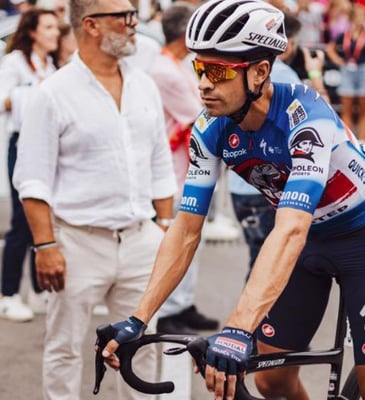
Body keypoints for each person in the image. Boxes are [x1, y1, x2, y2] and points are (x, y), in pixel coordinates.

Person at [102, 1, 365, 400]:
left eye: (218, 72)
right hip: (307, 245)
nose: (204, 84)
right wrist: (139, 318)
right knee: (272, 380)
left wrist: (237, 328)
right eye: (199, 68)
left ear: (260, 72)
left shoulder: (307, 117)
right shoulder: (210, 127)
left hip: (364, 239)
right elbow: (186, 229)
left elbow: (291, 229)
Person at [12, 0, 177, 398]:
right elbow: (32, 179)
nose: (133, 23)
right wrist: (46, 246)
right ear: (91, 25)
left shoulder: (143, 85)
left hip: (140, 238)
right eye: (124, 16)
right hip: (77, 241)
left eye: (133, 14)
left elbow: (160, 163)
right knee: (65, 347)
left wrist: (164, 228)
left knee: (140, 347)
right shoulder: (53, 93)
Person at [148, 1, 218, 334]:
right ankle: (170, 310)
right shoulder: (164, 70)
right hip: (174, 171)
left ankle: (184, 304)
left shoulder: (177, 65)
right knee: (179, 240)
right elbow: (200, 115)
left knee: (192, 239)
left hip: (186, 166)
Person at [0, 9, 59, 322]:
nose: (55, 32)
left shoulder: (52, 64)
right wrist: (36, 91)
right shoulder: (15, 63)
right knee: (22, 220)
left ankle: (38, 290)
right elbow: (2, 100)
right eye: (48, 27)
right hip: (22, 143)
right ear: (33, 31)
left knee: (44, 217)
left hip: (47, 145)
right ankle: (8, 294)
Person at [326, 3, 365, 142]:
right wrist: (338, 60)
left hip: (364, 69)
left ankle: (363, 140)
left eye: (363, 16)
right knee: (347, 107)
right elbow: (330, 48)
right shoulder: (344, 35)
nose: (361, 19)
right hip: (347, 69)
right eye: (358, 16)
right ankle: (348, 139)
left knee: (364, 108)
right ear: (352, 18)